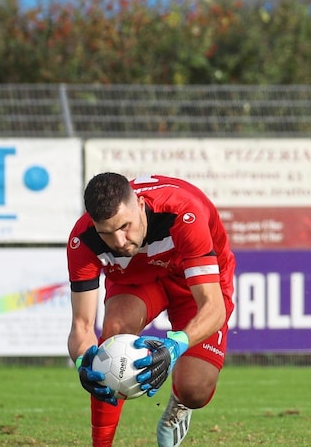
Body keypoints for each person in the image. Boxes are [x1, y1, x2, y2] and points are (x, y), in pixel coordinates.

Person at [66, 172, 236, 447]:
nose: (119, 242)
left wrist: (174, 347)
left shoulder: (183, 213)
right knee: (111, 336)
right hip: (139, 278)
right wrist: (83, 361)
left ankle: (180, 406)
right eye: (107, 233)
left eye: (124, 227)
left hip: (191, 280)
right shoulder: (82, 239)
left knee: (196, 389)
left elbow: (212, 308)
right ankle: (101, 443)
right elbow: (82, 327)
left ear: (140, 206)